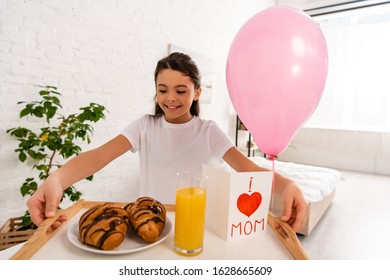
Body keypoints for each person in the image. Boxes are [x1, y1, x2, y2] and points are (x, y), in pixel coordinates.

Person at [27, 52, 308, 232]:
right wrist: (57, 179)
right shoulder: (144, 127)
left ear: (197, 93)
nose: (170, 98)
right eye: (163, 90)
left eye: (181, 90)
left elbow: (248, 169)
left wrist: (288, 186)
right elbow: (99, 156)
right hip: (148, 225)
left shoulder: (208, 132)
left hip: (195, 226)